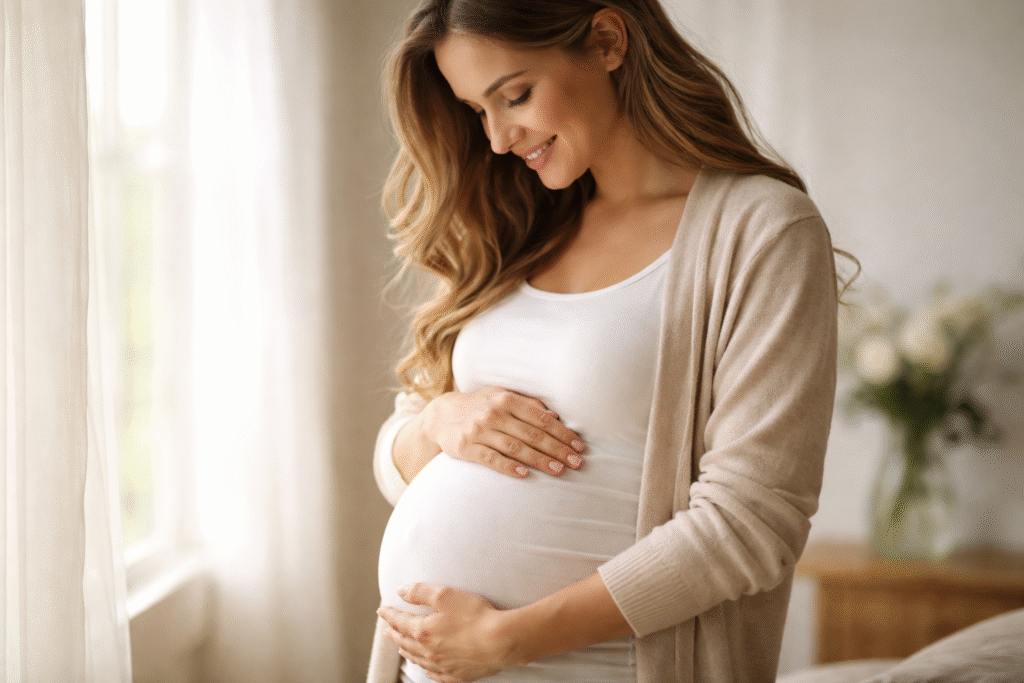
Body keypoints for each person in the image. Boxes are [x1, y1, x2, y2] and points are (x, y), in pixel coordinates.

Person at [370, 1, 855, 682]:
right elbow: (395, 460)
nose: (501, 138)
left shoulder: (762, 232)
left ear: (605, 40)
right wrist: (438, 422)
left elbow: (753, 522)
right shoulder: (516, 222)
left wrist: (511, 637)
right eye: (479, 111)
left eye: (515, 95)